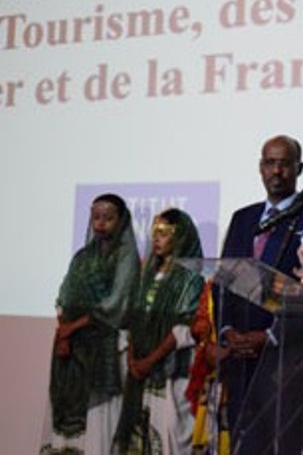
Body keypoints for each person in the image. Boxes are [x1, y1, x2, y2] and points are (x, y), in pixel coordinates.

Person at [193, 134, 303, 451]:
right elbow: (223, 282)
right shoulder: (243, 218)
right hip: (239, 359)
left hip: (283, 362)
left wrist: (269, 336)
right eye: (269, 163)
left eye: (284, 163)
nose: (276, 171)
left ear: (299, 168)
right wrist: (227, 331)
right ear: (260, 167)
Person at [41, 194, 141, 455]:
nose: (100, 223)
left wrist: (72, 328)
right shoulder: (82, 256)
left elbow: (116, 303)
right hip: (71, 350)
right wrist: (64, 335)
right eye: (96, 217)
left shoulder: (126, 256)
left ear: (121, 221)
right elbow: (63, 296)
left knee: (98, 425)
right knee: (64, 418)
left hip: (104, 347)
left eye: (108, 218)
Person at [113, 208, 205, 454]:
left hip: (171, 372)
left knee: (167, 437)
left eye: (163, 233)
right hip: (139, 371)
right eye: (154, 232)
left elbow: (183, 329)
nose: (156, 239)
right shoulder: (146, 274)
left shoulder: (191, 278)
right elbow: (134, 320)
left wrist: (150, 360)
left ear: (180, 236)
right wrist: (133, 359)